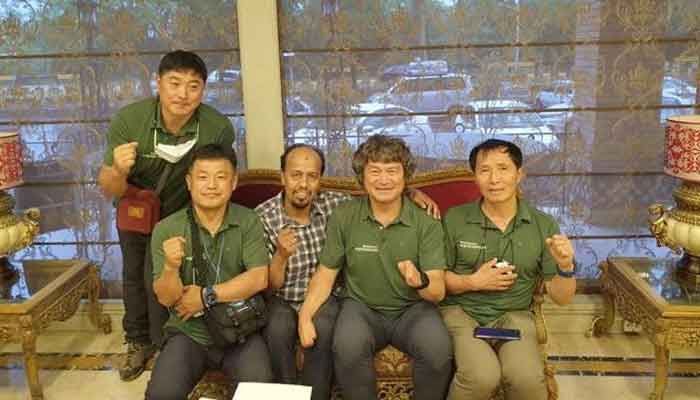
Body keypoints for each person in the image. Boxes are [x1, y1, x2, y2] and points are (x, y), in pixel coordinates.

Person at [256, 143, 440, 400]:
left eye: (313, 176)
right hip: (283, 296)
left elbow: (381, 191)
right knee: (278, 328)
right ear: (283, 177)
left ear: (321, 179)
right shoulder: (263, 217)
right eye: (296, 175)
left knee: (324, 327)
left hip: (328, 297)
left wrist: (411, 193)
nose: (304, 184)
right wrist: (281, 256)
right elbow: (269, 285)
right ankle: (287, 394)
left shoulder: (336, 204)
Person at [97, 50, 235, 381]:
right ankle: (137, 341)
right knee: (134, 277)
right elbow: (109, 188)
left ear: (203, 90)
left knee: (167, 277)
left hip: (183, 213)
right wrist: (118, 167)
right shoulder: (130, 120)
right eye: (174, 83)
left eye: (193, 86)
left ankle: (170, 344)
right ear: (157, 83)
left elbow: (221, 175)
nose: (182, 94)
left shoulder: (216, 126)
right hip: (136, 211)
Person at [440, 139, 576, 400]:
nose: (494, 179)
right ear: (474, 177)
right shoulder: (455, 218)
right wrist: (473, 282)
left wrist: (565, 266)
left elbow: (562, 297)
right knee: (481, 376)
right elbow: (437, 280)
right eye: (485, 170)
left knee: (526, 380)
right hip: (462, 313)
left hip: (515, 315)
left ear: (519, 174)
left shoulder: (542, 224)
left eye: (503, 168)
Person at [145, 144, 272, 399]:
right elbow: (167, 299)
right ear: (189, 182)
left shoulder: (247, 220)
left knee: (261, 393)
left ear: (234, 182)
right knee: (160, 395)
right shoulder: (167, 228)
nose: (211, 185)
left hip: (240, 330)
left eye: (221, 177)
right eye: (203, 177)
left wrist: (205, 296)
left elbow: (259, 278)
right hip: (188, 332)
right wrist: (171, 266)